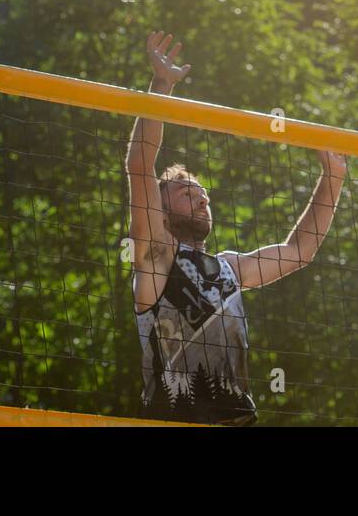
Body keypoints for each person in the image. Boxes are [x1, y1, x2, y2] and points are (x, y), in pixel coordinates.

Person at [125, 31, 346, 424]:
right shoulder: (157, 256)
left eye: (203, 193)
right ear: (159, 209)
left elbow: (300, 251)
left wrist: (333, 178)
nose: (202, 198)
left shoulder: (229, 268)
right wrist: (162, 85)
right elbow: (141, 165)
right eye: (186, 192)